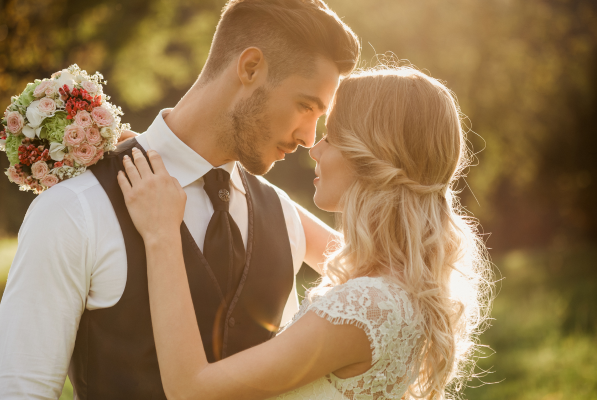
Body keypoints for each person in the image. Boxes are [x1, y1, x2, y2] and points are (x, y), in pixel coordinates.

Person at [0, 1, 359, 398]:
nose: (309, 137)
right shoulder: (75, 208)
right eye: (306, 106)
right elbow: (21, 389)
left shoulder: (284, 218)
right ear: (250, 68)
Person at [118, 66, 493, 399]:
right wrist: (180, 155)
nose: (314, 149)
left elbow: (192, 389)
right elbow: (283, 215)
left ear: (370, 158)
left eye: (331, 137)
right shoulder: (399, 279)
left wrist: (162, 234)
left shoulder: (361, 310)